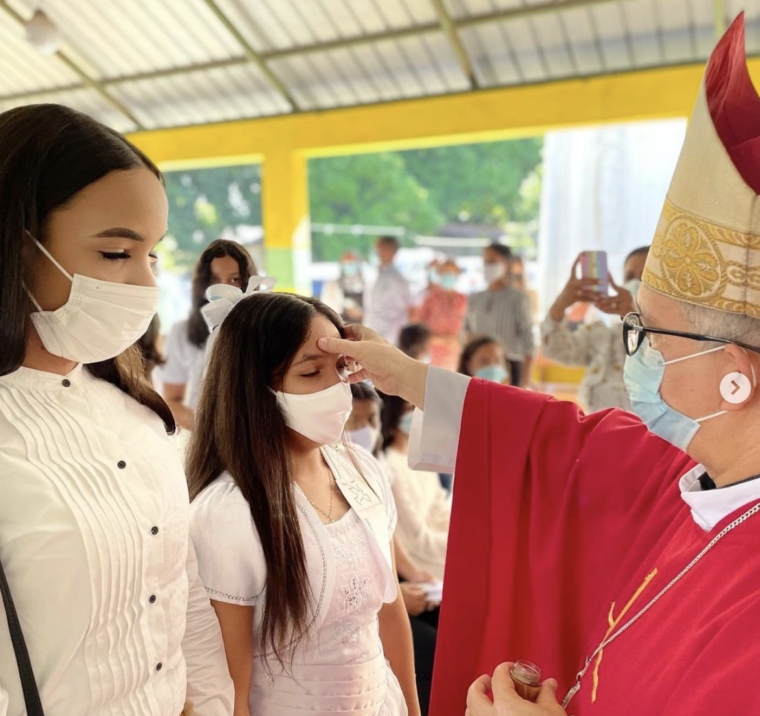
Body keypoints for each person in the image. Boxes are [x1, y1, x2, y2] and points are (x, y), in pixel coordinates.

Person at [316, 17, 760, 715]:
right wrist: (409, 379)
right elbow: (558, 443)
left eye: (652, 333)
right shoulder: (699, 482)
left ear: (735, 374)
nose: (636, 350)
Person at [0, 104, 232, 716]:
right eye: (116, 254)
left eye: (153, 254)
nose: (146, 284)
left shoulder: (139, 414)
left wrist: (210, 702)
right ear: (18, 250)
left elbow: (183, 590)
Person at [187, 290, 420, 716]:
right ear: (257, 388)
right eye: (311, 373)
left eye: (340, 368)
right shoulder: (228, 515)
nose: (337, 390)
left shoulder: (362, 470)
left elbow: (390, 616)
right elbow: (230, 686)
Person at [345, 383, 439, 716]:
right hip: (370, 602)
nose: (365, 430)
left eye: (371, 421)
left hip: (388, 590)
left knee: (449, 619)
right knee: (432, 649)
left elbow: (386, 534)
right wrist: (398, 591)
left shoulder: (371, 466)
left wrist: (414, 574)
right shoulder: (338, 472)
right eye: (355, 422)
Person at [161, 239, 257, 431]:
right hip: (205, 440)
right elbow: (172, 400)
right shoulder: (183, 333)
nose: (223, 288)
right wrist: (207, 430)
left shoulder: (265, 329)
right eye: (215, 280)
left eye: (234, 279)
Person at [541, 247, 649, 412]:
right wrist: (560, 305)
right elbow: (557, 350)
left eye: (645, 277)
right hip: (600, 432)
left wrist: (633, 318)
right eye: (629, 277)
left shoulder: (680, 337)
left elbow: (646, 356)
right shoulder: (604, 333)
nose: (635, 283)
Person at [381, 394, 450, 582]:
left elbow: (440, 510)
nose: (417, 413)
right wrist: (461, 544)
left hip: (438, 548)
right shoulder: (389, 465)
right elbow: (415, 539)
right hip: (420, 563)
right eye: (409, 408)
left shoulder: (421, 459)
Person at [465, 244, 535, 387]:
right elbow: (467, 333)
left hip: (509, 367)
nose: (488, 266)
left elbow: (528, 341)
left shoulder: (518, 298)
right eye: (485, 262)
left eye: (493, 262)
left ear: (506, 263)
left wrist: (525, 381)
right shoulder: (476, 298)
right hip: (479, 367)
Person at [417, 259, 468, 369]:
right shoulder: (431, 298)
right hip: (432, 352)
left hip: (454, 355)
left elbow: (467, 326)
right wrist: (441, 339)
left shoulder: (463, 299)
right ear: (439, 275)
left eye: (451, 273)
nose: (448, 276)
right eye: (445, 273)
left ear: (457, 275)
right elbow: (419, 328)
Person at [363, 236, 413, 345]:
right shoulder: (378, 275)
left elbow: (406, 310)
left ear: (387, 250)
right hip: (375, 335)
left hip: (389, 338)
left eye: (378, 248)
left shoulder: (396, 280)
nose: (376, 252)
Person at [320, 250, 365, 323]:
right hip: (340, 324)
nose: (350, 265)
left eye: (352, 262)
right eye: (347, 262)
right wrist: (346, 307)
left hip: (363, 325)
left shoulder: (367, 284)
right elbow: (325, 308)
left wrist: (360, 314)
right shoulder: (332, 285)